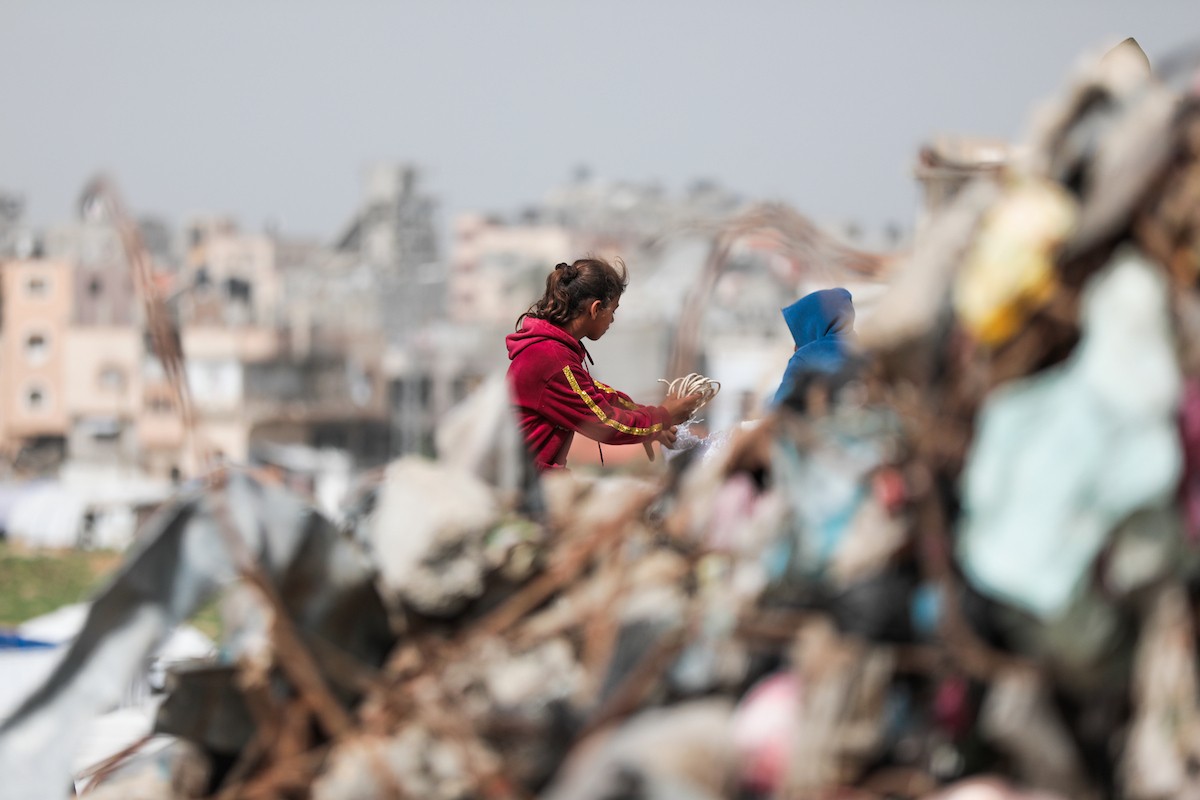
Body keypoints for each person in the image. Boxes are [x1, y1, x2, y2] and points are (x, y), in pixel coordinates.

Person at [506, 257, 702, 471]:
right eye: (613, 310)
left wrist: (651, 420)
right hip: (529, 485)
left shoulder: (554, 351)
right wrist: (663, 416)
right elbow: (603, 422)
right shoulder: (552, 358)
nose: (612, 320)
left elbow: (599, 396)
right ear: (596, 308)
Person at [773, 287, 856, 407]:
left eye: (799, 333)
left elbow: (779, 407)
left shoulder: (805, 357)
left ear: (811, 325)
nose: (795, 346)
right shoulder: (864, 350)